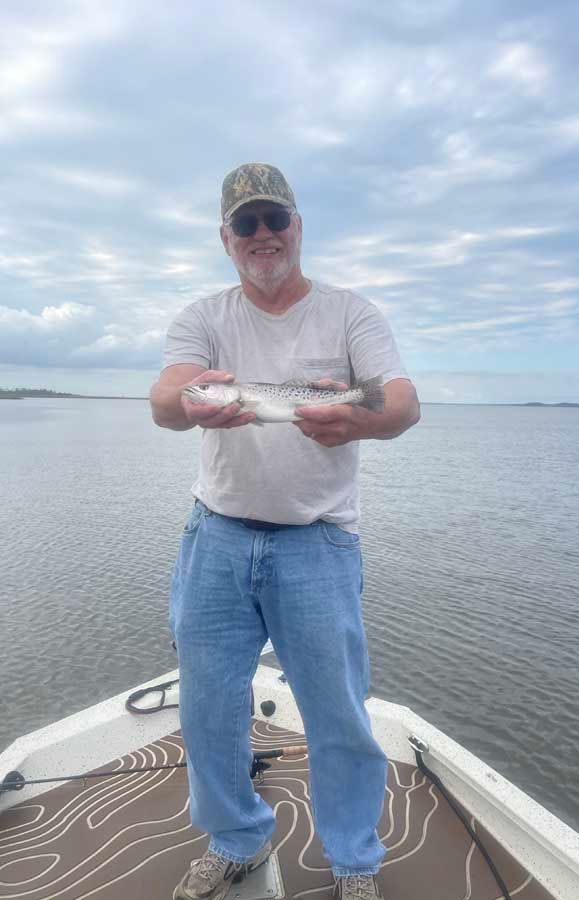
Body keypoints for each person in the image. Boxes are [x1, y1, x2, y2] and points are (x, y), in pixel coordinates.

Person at [150, 162, 420, 900]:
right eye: (246, 224)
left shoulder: (350, 313)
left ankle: (354, 862)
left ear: (297, 227)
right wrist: (191, 402)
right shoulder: (204, 316)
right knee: (207, 706)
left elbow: (401, 405)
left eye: (275, 220)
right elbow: (167, 398)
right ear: (227, 239)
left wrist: (355, 419)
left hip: (318, 542)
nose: (262, 235)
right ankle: (236, 839)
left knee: (337, 712)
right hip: (217, 539)